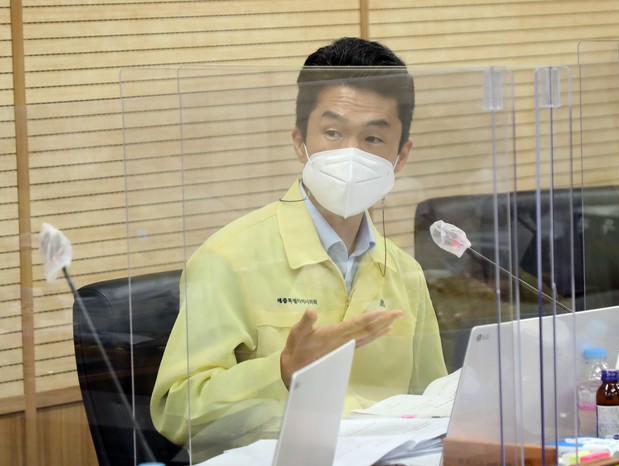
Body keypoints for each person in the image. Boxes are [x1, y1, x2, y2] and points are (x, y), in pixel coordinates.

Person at [150, 37, 447, 461]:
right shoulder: (228, 258)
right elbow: (176, 413)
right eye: (333, 132)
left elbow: (431, 408)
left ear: (400, 157)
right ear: (299, 142)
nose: (350, 153)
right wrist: (282, 371)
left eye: (373, 138)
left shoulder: (405, 272)